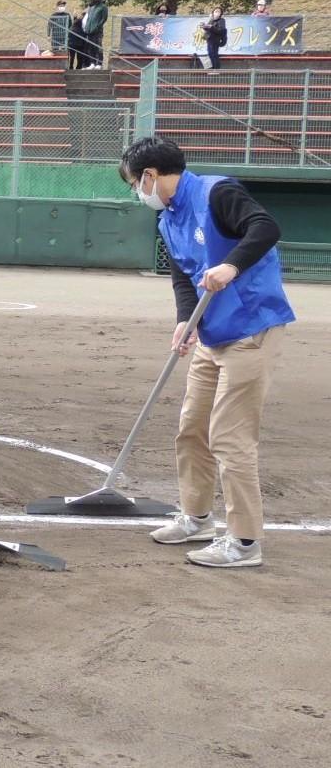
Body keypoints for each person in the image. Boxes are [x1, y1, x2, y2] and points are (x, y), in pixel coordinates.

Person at [121, 137, 293, 568]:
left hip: (251, 329)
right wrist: (185, 319)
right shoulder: (168, 220)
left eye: (134, 183)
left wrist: (232, 264)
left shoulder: (217, 193)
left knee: (230, 437)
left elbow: (265, 228)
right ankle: (196, 517)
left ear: (150, 176)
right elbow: (183, 274)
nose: (136, 193)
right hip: (211, 334)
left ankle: (245, 543)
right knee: (191, 428)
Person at [80, 0, 109, 70]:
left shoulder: (103, 7)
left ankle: (99, 63)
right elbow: (88, 19)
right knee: (90, 47)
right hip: (89, 31)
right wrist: (87, 28)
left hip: (97, 31)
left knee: (98, 46)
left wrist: (97, 27)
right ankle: (92, 63)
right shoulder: (91, 8)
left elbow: (104, 19)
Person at [47, 0, 75, 69]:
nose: (62, 7)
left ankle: (65, 67)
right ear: (57, 6)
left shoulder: (67, 15)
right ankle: (55, 67)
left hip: (65, 38)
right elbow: (49, 26)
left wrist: (70, 35)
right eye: (61, 6)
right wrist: (48, 35)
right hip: (55, 37)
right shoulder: (53, 16)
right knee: (55, 52)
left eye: (63, 6)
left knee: (65, 52)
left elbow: (70, 26)